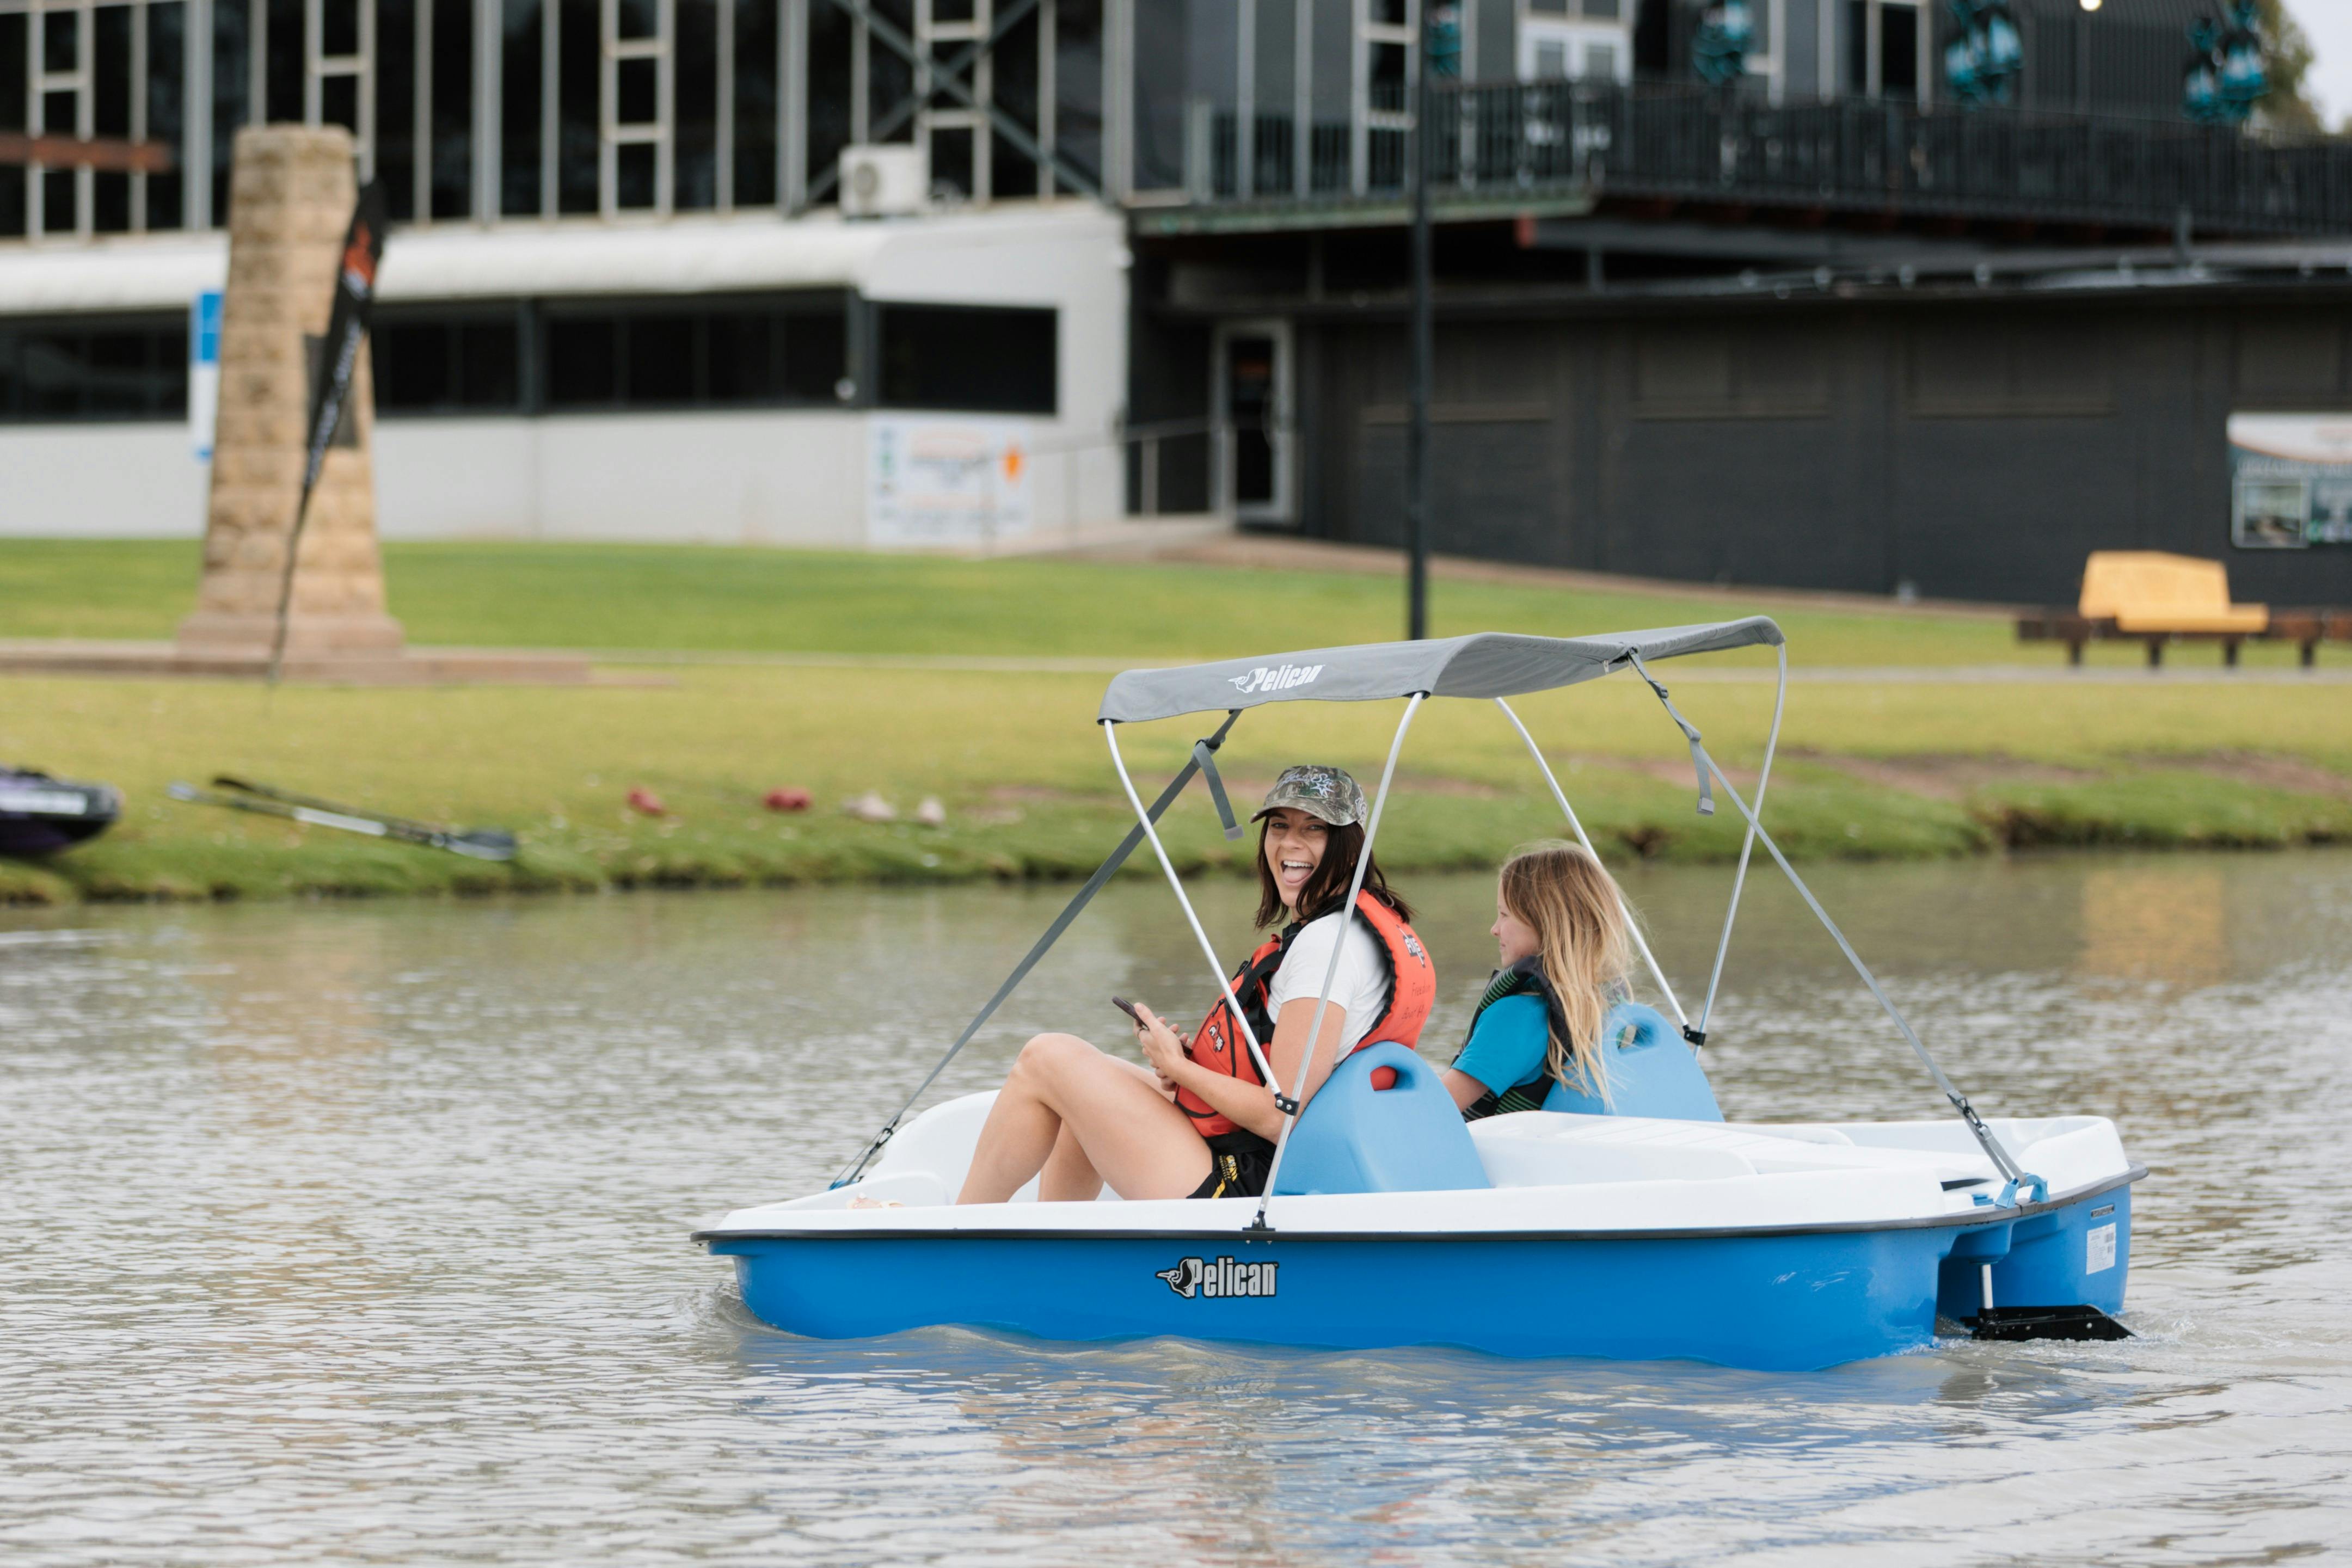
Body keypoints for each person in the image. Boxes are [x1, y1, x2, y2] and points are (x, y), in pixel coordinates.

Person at [956, 764, 1434, 1205]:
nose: (1290, 843)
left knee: (1047, 1058)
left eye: (1314, 828)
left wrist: (1178, 1069)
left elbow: (1281, 1116)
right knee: (1078, 1084)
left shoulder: (1323, 948)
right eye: (1279, 825)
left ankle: (955, 1232)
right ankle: (1051, 1252)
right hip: (1257, 1158)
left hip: (1247, 1183)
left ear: (1349, 846)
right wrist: (1189, 1064)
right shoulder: (1354, 929)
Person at [1440, 841, 1635, 1120]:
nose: (1495, 929)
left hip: (1492, 1160)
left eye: (1505, 915)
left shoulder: (1519, 1017)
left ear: (1548, 924)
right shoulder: (1603, 1001)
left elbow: (1432, 1109)